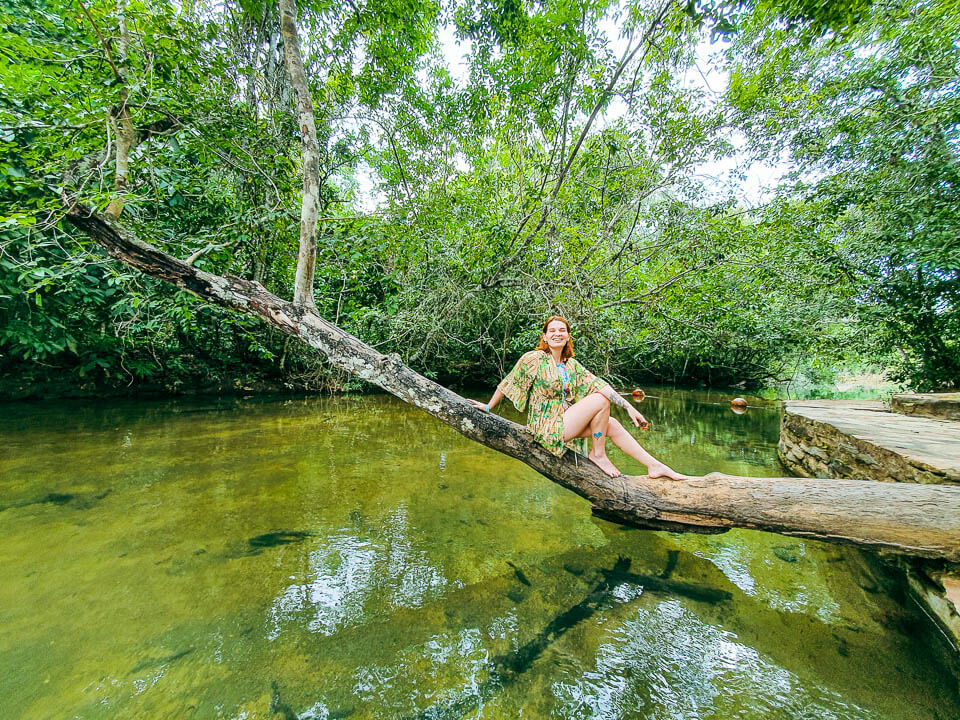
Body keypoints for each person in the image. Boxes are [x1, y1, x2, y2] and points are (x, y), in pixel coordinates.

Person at [471, 316, 686, 480]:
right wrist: (489, 406)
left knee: (612, 424)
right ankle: (598, 454)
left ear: (568, 336)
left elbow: (599, 384)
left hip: (564, 421)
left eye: (562, 330)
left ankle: (654, 465)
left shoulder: (570, 365)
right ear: (545, 337)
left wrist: (630, 407)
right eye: (552, 330)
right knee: (600, 400)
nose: (557, 333)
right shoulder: (534, 359)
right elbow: (510, 382)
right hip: (545, 426)